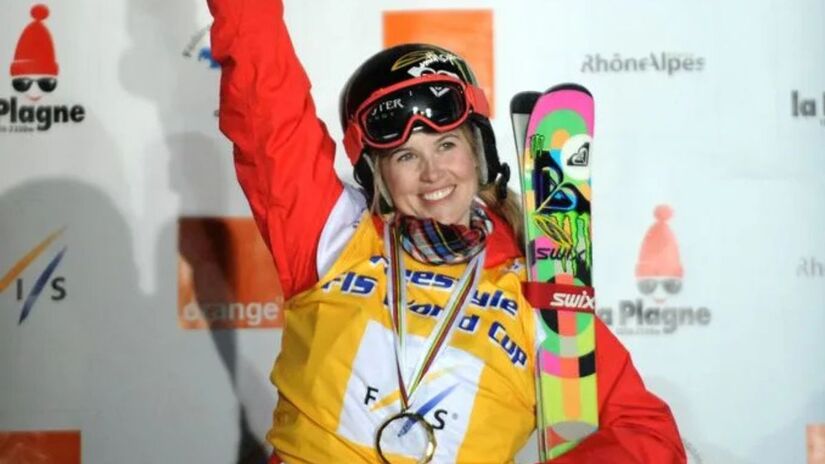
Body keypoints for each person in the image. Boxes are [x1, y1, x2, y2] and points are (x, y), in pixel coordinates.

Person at [207, 0, 687, 462]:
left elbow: (647, 434)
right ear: (378, 175)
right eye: (406, 156)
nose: (432, 173)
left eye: (446, 144)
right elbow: (263, 92)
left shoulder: (537, 292)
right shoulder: (333, 235)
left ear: (478, 151)